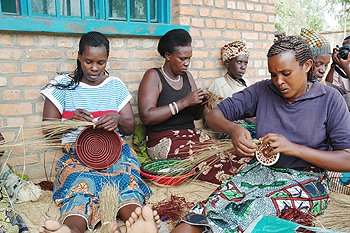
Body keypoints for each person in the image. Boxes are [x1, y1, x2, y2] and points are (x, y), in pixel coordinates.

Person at [131, 35, 350, 233]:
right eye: (273, 74)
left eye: (286, 73)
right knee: (210, 207)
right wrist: (234, 128)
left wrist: (295, 149)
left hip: (307, 180)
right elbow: (213, 116)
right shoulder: (264, 90)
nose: (279, 81)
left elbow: (347, 158)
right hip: (260, 171)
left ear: (307, 66)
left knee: (254, 209)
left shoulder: (329, 99)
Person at [38, 31, 159, 233]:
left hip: (117, 152)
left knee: (126, 180)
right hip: (77, 155)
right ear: (79, 57)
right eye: (88, 61)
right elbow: (48, 130)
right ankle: (71, 229)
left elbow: (129, 127)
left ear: (107, 60)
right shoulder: (61, 86)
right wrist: (69, 122)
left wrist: (119, 119)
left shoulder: (115, 86)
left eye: (100, 62)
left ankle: (138, 224)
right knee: (80, 185)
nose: (94, 68)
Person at [138, 29, 253, 184]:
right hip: (164, 140)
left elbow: (196, 116)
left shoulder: (187, 77)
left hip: (192, 136)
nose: (187, 63)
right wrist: (184, 102)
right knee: (215, 164)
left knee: (232, 154)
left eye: (189, 58)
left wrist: (203, 102)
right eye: (182, 58)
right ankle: (241, 185)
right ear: (167, 56)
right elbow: (147, 116)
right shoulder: (153, 76)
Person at [325, 36, 350, 109]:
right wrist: (333, 64)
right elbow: (328, 84)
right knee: (324, 86)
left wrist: (346, 68)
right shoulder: (341, 63)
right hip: (344, 95)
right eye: (344, 48)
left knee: (347, 98)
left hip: (346, 97)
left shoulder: (344, 66)